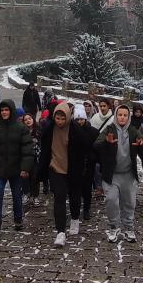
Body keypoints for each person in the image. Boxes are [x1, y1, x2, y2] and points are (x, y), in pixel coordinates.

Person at [38, 101, 96, 246]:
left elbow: (86, 146)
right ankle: (60, 232)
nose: (60, 122)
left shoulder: (76, 130)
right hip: (55, 168)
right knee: (59, 198)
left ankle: (75, 219)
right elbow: (44, 148)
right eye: (57, 118)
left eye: (63, 119)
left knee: (74, 196)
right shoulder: (49, 129)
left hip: (73, 170)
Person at [95, 104, 143, 242]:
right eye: (120, 114)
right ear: (116, 116)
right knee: (111, 200)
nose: (122, 117)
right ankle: (114, 227)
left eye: (125, 115)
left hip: (128, 174)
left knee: (129, 203)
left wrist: (141, 142)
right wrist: (107, 143)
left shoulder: (132, 131)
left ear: (128, 117)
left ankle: (129, 228)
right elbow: (96, 145)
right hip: (112, 174)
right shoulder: (109, 129)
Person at [0, 99, 33, 236]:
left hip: (15, 169)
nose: (4, 112)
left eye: (7, 110)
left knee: (17, 195)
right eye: (2, 110)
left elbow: (27, 150)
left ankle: (18, 221)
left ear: (11, 111)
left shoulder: (21, 128)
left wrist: (25, 168)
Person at [72, 104, 99, 220]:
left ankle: (87, 208)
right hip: (75, 163)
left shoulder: (93, 132)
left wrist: (93, 157)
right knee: (75, 188)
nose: (79, 122)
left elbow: (96, 147)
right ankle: (76, 209)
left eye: (81, 119)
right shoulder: (71, 131)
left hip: (88, 164)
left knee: (87, 188)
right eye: (77, 119)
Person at [21, 113, 41, 206]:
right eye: (26, 120)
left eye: (30, 118)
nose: (28, 121)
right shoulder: (22, 132)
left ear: (33, 119)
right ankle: (26, 193)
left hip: (36, 157)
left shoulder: (38, 130)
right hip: (25, 158)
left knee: (35, 177)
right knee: (25, 177)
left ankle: (35, 195)